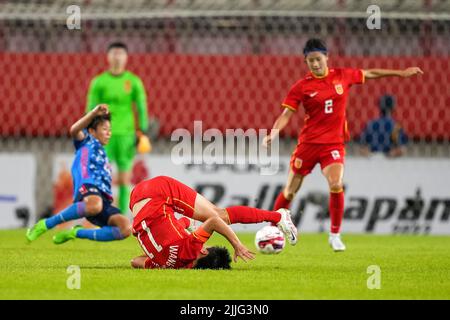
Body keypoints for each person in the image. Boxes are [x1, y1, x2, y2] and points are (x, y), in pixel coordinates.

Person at [263, 38, 423, 251]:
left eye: (318, 59)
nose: (315, 64)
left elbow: (371, 73)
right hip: (308, 145)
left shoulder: (343, 76)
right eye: (310, 61)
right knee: (290, 191)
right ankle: (272, 228)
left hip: (333, 145)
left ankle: (335, 234)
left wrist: (400, 73)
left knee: (336, 183)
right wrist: (274, 132)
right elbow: (286, 114)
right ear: (306, 62)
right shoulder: (301, 87)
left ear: (327, 57)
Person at [129, 176, 298, 269]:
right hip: (135, 200)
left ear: (202, 250)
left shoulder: (190, 249)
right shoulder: (164, 265)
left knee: (220, 216)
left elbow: (214, 222)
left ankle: (278, 217)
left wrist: (236, 244)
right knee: (219, 216)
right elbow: (135, 261)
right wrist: (160, 261)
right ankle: (278, 216)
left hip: (159, 192)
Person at [26, 105, 132, 244]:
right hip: (88, 187)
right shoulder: (86, 141)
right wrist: (94, 113)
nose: (109, 133)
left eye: (110, 130)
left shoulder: (104, 154)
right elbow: (74, 130)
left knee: (125, 228)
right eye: (105, 129)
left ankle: (76, 232)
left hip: (102, 200)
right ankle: (46, 224)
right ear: (92, 131)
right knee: (94, 204)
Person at [86, 42, 150, 216]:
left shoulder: (133, 81)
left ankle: (121, 216)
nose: (117, 57)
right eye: (114, 53)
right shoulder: (99, 82)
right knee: (101, 175)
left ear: (126, 57)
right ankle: (102, 213)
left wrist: (143, 131)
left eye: (121, 53)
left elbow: (141, 107)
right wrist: (90, 130)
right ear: (107, 57)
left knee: (124, 178)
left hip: (127, 135)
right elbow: (91, 108)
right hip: (104, 134)